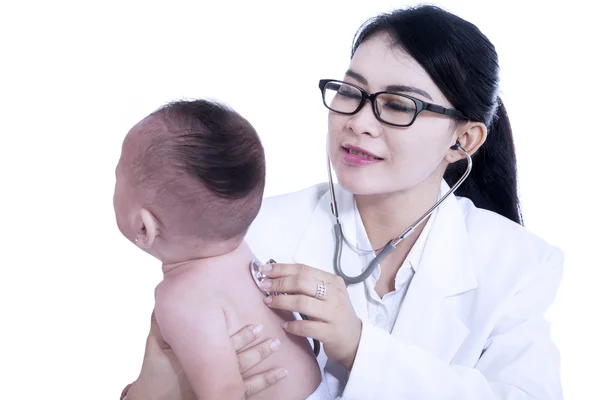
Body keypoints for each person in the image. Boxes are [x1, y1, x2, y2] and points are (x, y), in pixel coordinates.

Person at [122, 4, 564, 399]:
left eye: (398, 105)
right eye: (351, 93)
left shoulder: (518, 265)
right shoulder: (246, 233)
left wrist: (358, 348)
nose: (358, 122)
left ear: (463, 139)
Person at [113, 99, 328, 400]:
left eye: (117, 175)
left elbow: (224, 393)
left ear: (144, 228)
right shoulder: (240, 254)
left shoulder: (179, 296)